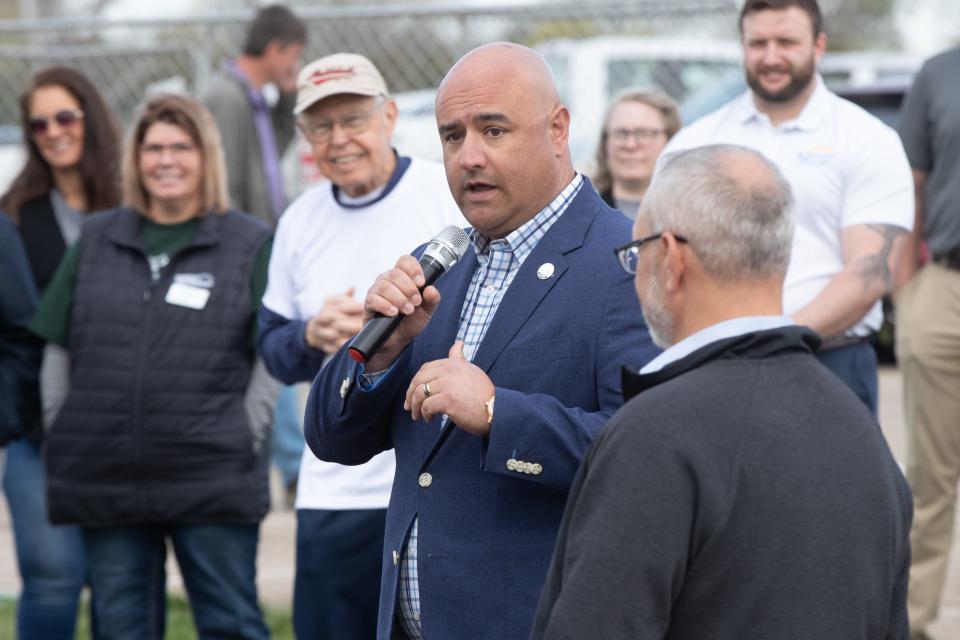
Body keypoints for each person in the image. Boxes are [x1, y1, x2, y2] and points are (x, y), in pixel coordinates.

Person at [304, 42, 659, 640]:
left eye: (493, 130)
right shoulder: (435, 265)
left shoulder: (628, 265)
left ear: (557, 129)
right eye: (451, 137)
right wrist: (381, 355)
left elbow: (648, 457)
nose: (469, 156)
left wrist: (498, 415)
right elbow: (330, 437)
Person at [531, 144, 913, 640]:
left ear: (669, 258)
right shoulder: (861, 430)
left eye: (635, 253)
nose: (635, 273)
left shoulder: (656, 435)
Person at [31, 94, 277, 640]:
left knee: (232, 623)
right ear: (136, 159)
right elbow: (57, 348)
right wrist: (65, 427)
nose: (166, 160)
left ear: (204, 157)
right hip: (108, 476)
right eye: (154, 147)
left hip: (210, 473)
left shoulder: (247, 242)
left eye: (181, 147)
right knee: (120, 628)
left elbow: (271, 355)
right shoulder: (96, 239)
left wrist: (245, 432)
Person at [257, 52, 466, 639]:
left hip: (429, 475)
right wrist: (309, 336)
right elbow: (271, 348)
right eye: (321, 127)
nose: (339, 139)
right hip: (334, 486)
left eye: (352, 120)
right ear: (305, 138)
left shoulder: (444, 194)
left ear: (390, 116)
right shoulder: (299, 221)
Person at [661, 0, 913, 414]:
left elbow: (869, 272)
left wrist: (770, 339)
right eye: (758, 43)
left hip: (831, 362)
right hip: (712, 362)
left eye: (786, 42)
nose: (771, 56)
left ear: (819, 46)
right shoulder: (696, 142)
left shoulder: (868, 139)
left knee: (833, 481)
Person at [0, 66, 121, 640]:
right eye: (39, 122)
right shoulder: (15, 215)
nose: (53, 131)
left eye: (65, 116)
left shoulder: (133, 203)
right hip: (38, 430)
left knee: (117, 580)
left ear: (89, 118)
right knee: (53, 575)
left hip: (125, 425)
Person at [202, 2, 307, 508]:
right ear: (276, 49)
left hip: (260, 244)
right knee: (272, 354)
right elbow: (222, 181)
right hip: (242, 249)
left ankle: (289, 463)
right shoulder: (225, 97)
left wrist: (287, 100)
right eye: (294, 57)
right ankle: (292, 466)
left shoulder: (255, 99)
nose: (295, 67)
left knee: (270, 356)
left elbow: (275, 149)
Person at [895, 46, 960, 640]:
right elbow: (912, 180)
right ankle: (911, 625)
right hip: (945, 287)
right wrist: (909, 288)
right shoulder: (940, 73)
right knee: (932, 476)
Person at [592, 89, 680, 219]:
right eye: (620, 134)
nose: (630, 145)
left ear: (671, 140)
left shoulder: (693, 213)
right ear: (605, 143)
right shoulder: (583, 213)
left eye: (644, 133)